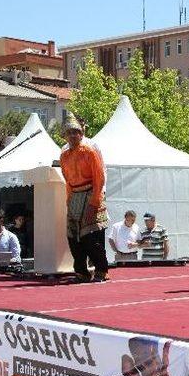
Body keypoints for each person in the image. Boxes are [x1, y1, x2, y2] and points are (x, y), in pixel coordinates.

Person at [60, 113, 110, 283]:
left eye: (76, 132)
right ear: (64, 135)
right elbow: (67, 179)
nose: (73, 135)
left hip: (91, 193)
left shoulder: (89, 151)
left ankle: (101, 270)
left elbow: (99, 176)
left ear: (81, 134)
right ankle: (81, 272)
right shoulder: (64, 155)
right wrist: (69, 198)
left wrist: (95, 201)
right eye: (69, 132)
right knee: (73, 237)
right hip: (74, 196)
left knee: (90, 236)